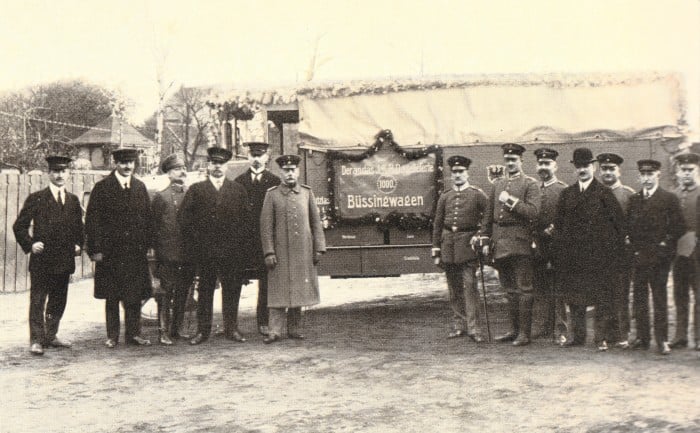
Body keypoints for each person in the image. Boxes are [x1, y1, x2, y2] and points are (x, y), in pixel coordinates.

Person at [553, 148, 625, 351]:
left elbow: (618, 227)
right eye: (578, 166)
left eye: (585, 165)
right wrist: (561, 254)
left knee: (601, 298)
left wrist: (610, 255)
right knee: (575, 298)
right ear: (574, 168)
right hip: (574, 258)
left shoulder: (604, 194)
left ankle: (601, 337)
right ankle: (577, 336)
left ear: (593, 167)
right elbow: (559, 226)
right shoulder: (567, 194)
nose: (582, 170)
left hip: (598, 258)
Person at [179, 147, 251, 345]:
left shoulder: (237, 191)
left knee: (232, 289)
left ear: (227, 166)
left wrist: (238, 246)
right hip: (205, 252)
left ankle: (231, 329)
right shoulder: (196, 190)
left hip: (231, 252)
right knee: (205, 291)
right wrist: (198, 243)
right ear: (208, 165)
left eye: (221, 164)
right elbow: (184, 221)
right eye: (214, 163)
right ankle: (203, 331)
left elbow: (246, 223)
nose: (217, 167)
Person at [13, 156, 84, 355]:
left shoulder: (73, 200)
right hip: (42, 260)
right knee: (38, 300)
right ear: (49, 174)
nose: (60, 175)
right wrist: (30, 244)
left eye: (63, 171)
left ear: (68, 174)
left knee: (58, 299)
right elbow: (19, 226)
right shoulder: (36, 198)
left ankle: (51, 335)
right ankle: (36, 340)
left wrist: (79, 244)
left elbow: (80, 228)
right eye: (55, 171)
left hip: (63, 259)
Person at [85, 148, 153, 348]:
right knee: (112, 295)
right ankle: (112, 336)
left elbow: (147, 219)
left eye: (131, 163)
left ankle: (134, 334)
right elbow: (92, 221)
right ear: (116, 163)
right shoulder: (102, 187)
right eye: (124, 163)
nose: (128, 167)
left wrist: (148, 245)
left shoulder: (140, 187)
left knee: (133, 294)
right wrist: (96, 249)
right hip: (110, 253)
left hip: (134, 251)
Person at [479, 143, 541, 346]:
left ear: (521, 161)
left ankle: (525, 333)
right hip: (501, 243)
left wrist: (511, 202)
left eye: (514, 160)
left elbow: (533, 212)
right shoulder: (498, 184)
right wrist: (486, 238)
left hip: (521, 242)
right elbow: (488, 215)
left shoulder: (530, 184)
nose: (510, 163)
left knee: (524, 289)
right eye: (508, 160)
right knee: (509, 289)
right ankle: (513, 330)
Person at [260, 154, 326, 344]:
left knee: (299, 289)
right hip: (279, 253)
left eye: (292, 170)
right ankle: (274, 331)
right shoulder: (271, 195)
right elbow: (265, 227)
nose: (289, 173)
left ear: (297, 172)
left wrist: (319, 248)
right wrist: (269, 252)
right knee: (278, 291)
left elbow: (316, 223)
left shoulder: (307, 193)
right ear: (280, 172)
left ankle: (295, 329)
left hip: (303, 252)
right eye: (285, 170)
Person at [627, 159, 685, 355]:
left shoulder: (669, 199)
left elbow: (679, 227)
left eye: (650, 174)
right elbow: (629, 228)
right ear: (639, 176)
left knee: (659, 299)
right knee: (640, 299)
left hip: (660, 259)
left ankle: (662, 340)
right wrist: (634, 249)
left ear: (658, 175)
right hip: (640, 258)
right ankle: (643, 338)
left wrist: (665, 246)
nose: (646, 178)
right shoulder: (634, 200)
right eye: (643, 175)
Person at [431, 155, 487, 342]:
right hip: (448, 245)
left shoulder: (477, 194)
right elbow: (438, 224)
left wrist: (480, 236)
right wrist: (436, 249)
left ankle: (474, 329)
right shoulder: (445, 196)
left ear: (467, 173)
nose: (457, 175)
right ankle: (458, 326)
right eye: (454, 172)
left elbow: (487, 219)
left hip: (468, 246)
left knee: (470, 287)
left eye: (460, 172)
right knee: (454, 289)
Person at [234, 142, 281, 336]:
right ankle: (231, 324)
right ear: (248, 156)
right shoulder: (238, 182)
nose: (256, 158)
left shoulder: (275, 181)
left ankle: (263, 321)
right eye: (252, 155)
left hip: (265, 240)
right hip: (244, 241)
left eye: (259, 155)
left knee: (266, 281)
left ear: (266, 157)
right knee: (236, 280)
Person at [151, 154, 195, 345]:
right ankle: (163, 331)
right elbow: (153, 227)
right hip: (168, 255)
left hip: (187, 254)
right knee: (165, 293)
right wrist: (155, 253)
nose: (182, 171)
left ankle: (176, 329)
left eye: (184, 168)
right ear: (168, 174)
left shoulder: (191, 194)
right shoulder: (161, 197)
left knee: (183, 293)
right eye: (177, 169)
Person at [596, 152, 636, 348]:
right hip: (601, 254)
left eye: (612, 169)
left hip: (621, 256)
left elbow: (634, 225)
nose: (608, 172)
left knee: (620, 295)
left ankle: (622, 334)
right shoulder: (594, 194)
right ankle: (603, 335)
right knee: (602, 295)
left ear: (619, 171)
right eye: (604, 169)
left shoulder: (628, 195)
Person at [530, 148, 568, 343]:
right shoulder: (534, 188)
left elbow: (569, 218)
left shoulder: (563, 190)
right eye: (541, 164)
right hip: (537, 245)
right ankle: (542, 327)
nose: (543, 167)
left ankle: (560, 329)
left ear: (555, 166)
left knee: (558, 289)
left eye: (547, 164)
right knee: (540, 287)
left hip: (556, 246)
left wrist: (555, 228)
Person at [670, 153, 700, 349]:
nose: (686, 173)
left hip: (698, 253)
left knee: (699, 295)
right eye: (683, 170)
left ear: (697, 170)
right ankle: (680, 336)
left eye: (690, 170)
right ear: (678, 172)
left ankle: (698, 338)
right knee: (680, 294)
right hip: (678, 253)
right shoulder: (673, 194)